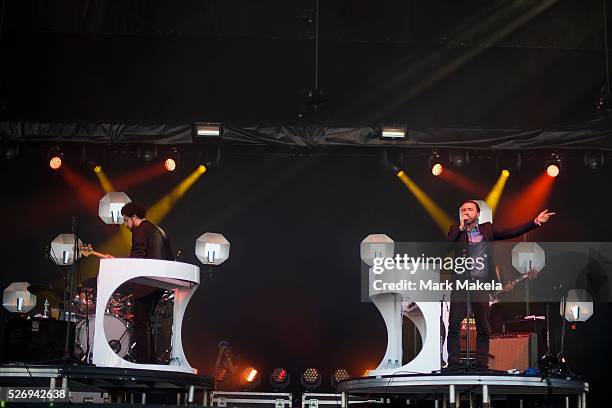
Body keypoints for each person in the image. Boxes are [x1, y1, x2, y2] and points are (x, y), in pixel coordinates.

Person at [446, 200, 554, 369]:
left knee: (483, 326)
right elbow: (446, 247)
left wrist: (534, 222)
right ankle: (453, 364)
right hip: (460, 284)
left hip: (480, 284)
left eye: (470, 209)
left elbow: (510, 232)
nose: (466, 212)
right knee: (454, 324)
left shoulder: (487, 229)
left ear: (478, 214)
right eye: (463, 210)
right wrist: (460, 228)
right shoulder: (455, 230)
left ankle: (482, 364)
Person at [120, 202, 175, 363]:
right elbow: (170, 258)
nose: (125, 225)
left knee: (140, 322)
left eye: (126, 220)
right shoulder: (160, 230)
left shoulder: (140, 229)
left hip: (147, 283)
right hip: (160, 283)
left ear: (134, 217)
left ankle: (144, 362)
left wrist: (121, 266)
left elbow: (138, 253)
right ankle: (151, 361)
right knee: (145, 322)